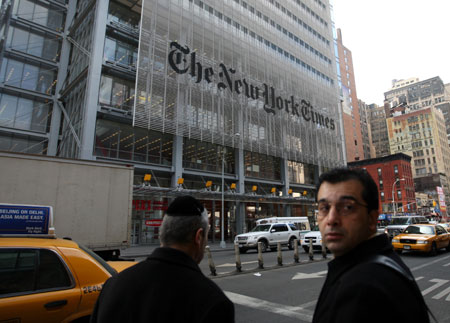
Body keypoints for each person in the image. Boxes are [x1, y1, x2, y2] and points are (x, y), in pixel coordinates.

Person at [91, 195, 235, 323]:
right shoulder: (213, 302)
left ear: (162, 233)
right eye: (206, 237)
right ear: (198, 237)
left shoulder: (113, 285)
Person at [312, 168, 431, 323]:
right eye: (324, 208)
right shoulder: (380, 263)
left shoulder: (362, 289)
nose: (331, 219)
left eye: (348, 207)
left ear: (372, 218)